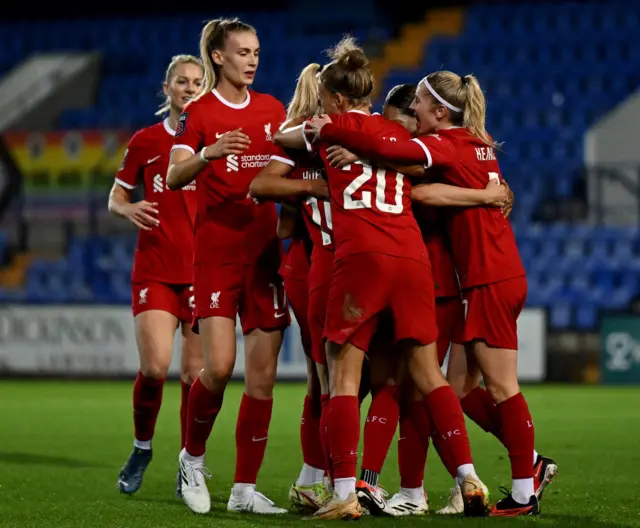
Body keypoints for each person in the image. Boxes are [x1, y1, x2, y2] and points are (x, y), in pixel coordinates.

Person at [310, 70, 555, 516]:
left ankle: (521, 484)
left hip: (477, 277)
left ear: (439, 111)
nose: (414, 112)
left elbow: (407, 170)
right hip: (481, 275)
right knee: (453, 387)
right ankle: (471, 479)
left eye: (419, 104)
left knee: (493, 386)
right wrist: (484, 194)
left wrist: (333, 130)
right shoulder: (475, 141)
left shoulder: (444, 144)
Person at [276, 38, 489, 521]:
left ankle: (345, 492)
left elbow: (281, 140)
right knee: (428, 373)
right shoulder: (399, 137)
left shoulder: (333, 127)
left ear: (333, 98)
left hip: (363, 257)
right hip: (413, 260)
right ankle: (468, 476)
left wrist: (325, 132)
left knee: (341, 376)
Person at [166, 18, 291, 515]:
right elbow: (175, 175)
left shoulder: (272, 109)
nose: (253, 59)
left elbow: (290, 168)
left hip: (263, 257)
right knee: (217, 367)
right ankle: (191, 459)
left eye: (257, 51)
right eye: (243, 52)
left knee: (262, 380)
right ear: (218, 57)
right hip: (216, 257)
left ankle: (244, 489)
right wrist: (208, 153)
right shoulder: (199, 113)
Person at [108, 54, 204, 497]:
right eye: (182, 81)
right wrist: (128, 209)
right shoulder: (146, 141)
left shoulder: (211, 140)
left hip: (204, 273)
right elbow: (116, 197)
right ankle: (141, 447)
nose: (189, 87)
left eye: (197, 82)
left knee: (194, 378)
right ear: (167, 89)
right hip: (156, 270)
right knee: (153, 367)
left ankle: (189, 466)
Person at [249, 62, 334, 512]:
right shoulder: (303, 141)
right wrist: (312, 189)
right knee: (327, 377)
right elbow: (261, 184)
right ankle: (323, 479)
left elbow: (282, 224)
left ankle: (322, 477)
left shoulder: (337, 135)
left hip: (330, 262)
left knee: (332, 378)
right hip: (310, 264)